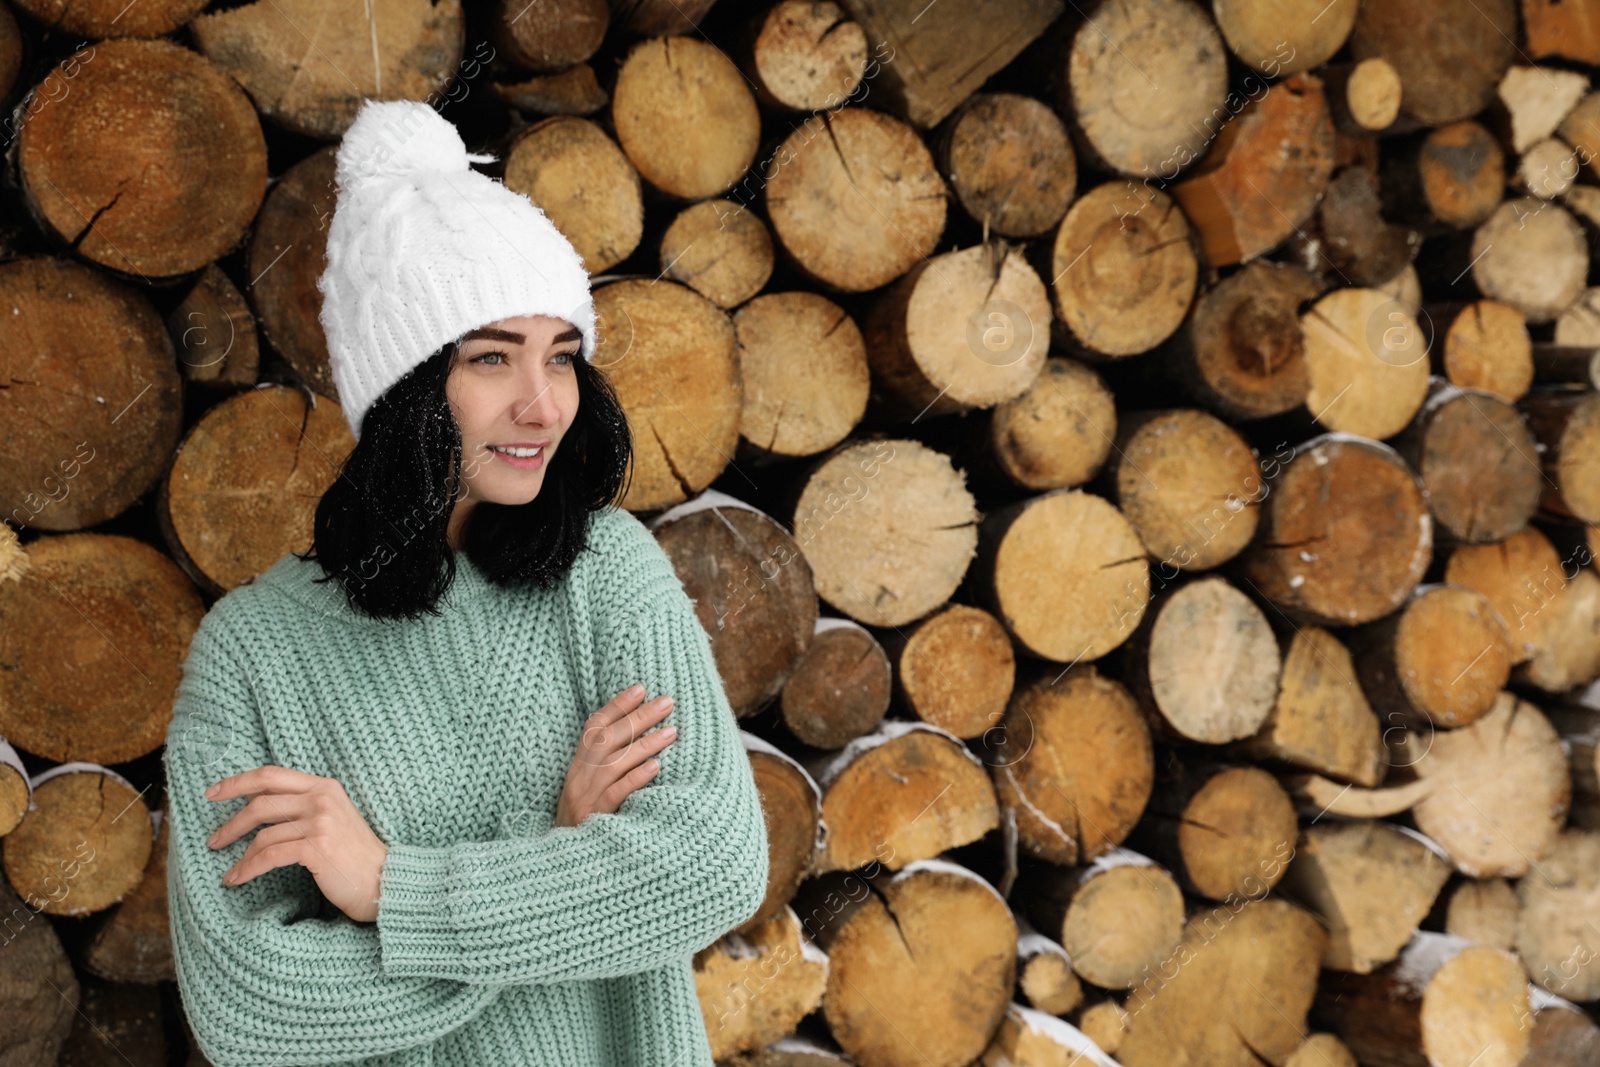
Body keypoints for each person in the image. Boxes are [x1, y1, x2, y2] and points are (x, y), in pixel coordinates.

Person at [162, 99, 769, 1067]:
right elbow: (248, 1001)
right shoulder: (252, 651)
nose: (543, 404)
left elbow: (713, 865)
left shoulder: (606, 575)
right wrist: (558, 853)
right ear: (402, 386)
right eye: (491, 357)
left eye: (561, 356)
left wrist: (389, 887)